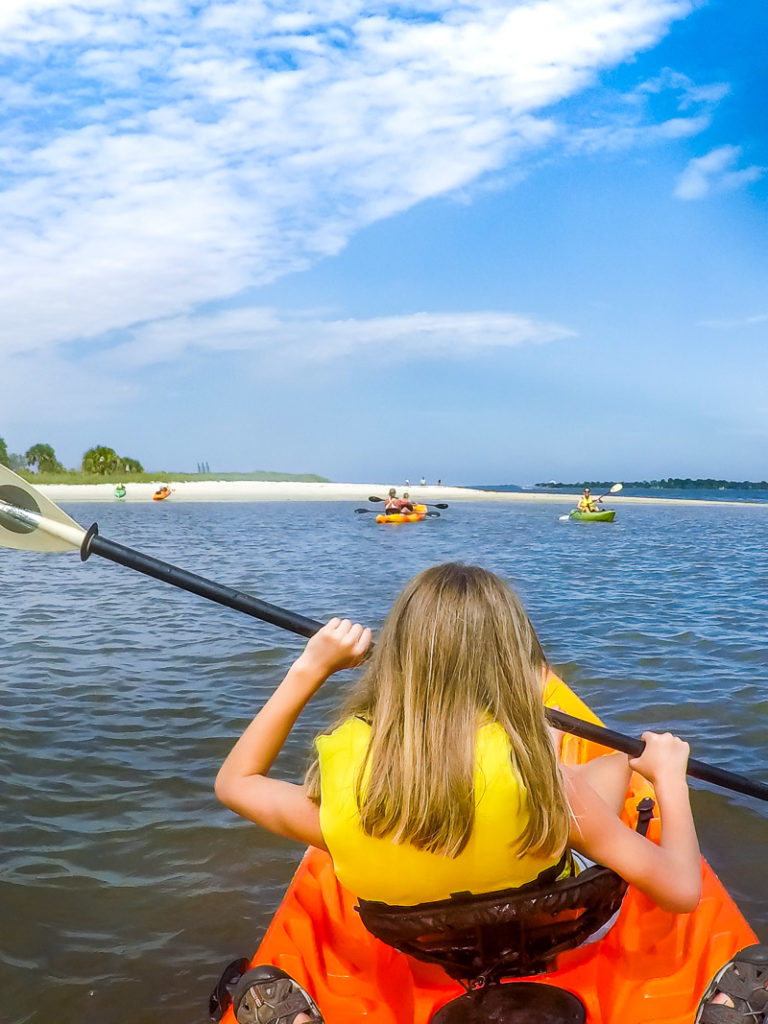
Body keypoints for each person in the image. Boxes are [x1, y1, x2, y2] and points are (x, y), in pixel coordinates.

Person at [215, 564, 702, 1023]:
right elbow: (682, 892)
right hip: (545, 932)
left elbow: (235, 783)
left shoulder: (345, 793)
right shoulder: (553, 790)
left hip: (423, 945)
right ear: (517, 667)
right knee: (613, 765)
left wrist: (309, 669)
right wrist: (670, 779)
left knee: (565, 780)